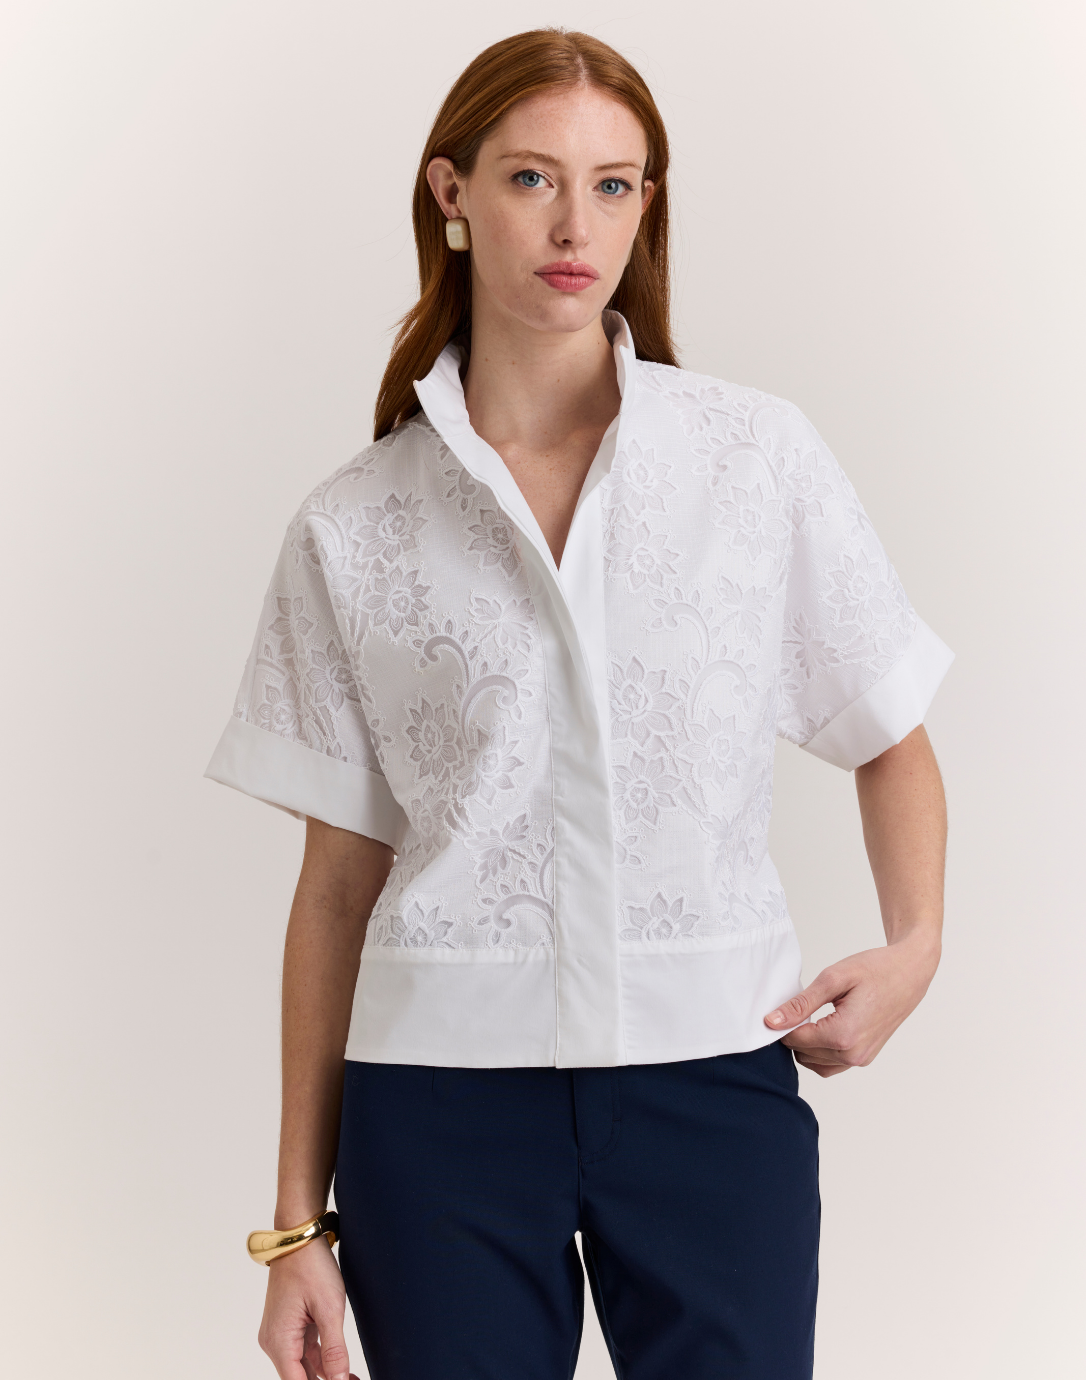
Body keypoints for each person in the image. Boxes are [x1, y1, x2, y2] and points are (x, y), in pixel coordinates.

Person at [205, 27, 952, 1380]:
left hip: (714, 1081)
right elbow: (335, 886)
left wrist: (915, 949)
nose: (575, 225)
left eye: (613, 186)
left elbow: (887, 733)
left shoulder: (753, 458)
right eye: (531, 178)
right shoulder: (354, 524)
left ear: (646, 205)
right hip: (435, 1110)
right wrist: (294, 1227)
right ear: (451, 192)